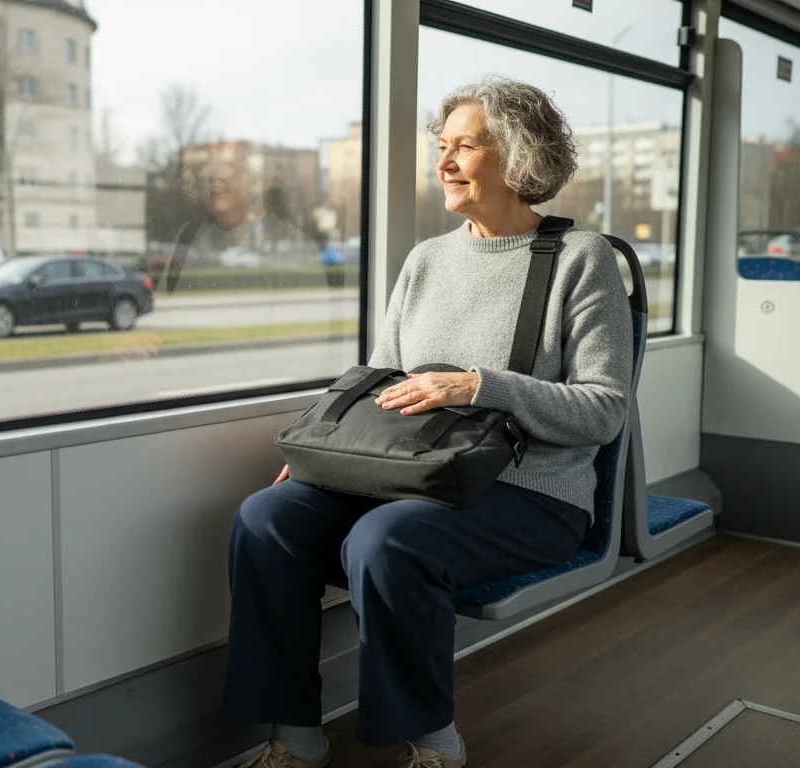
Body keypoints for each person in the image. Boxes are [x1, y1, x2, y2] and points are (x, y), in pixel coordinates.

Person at [219, 75, 634, 768]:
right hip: (411, 480)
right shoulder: (425, 261)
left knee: (389, 539)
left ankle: (432, 741)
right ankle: (294, 736)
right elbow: (378, 381)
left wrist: (480, 387)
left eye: (462, 146)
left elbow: (604, 410)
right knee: (267, 517)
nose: (442, 161)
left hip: (534, 494)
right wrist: (322, 452)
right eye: (441, 146)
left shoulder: (581, 261)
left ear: (518, 156)